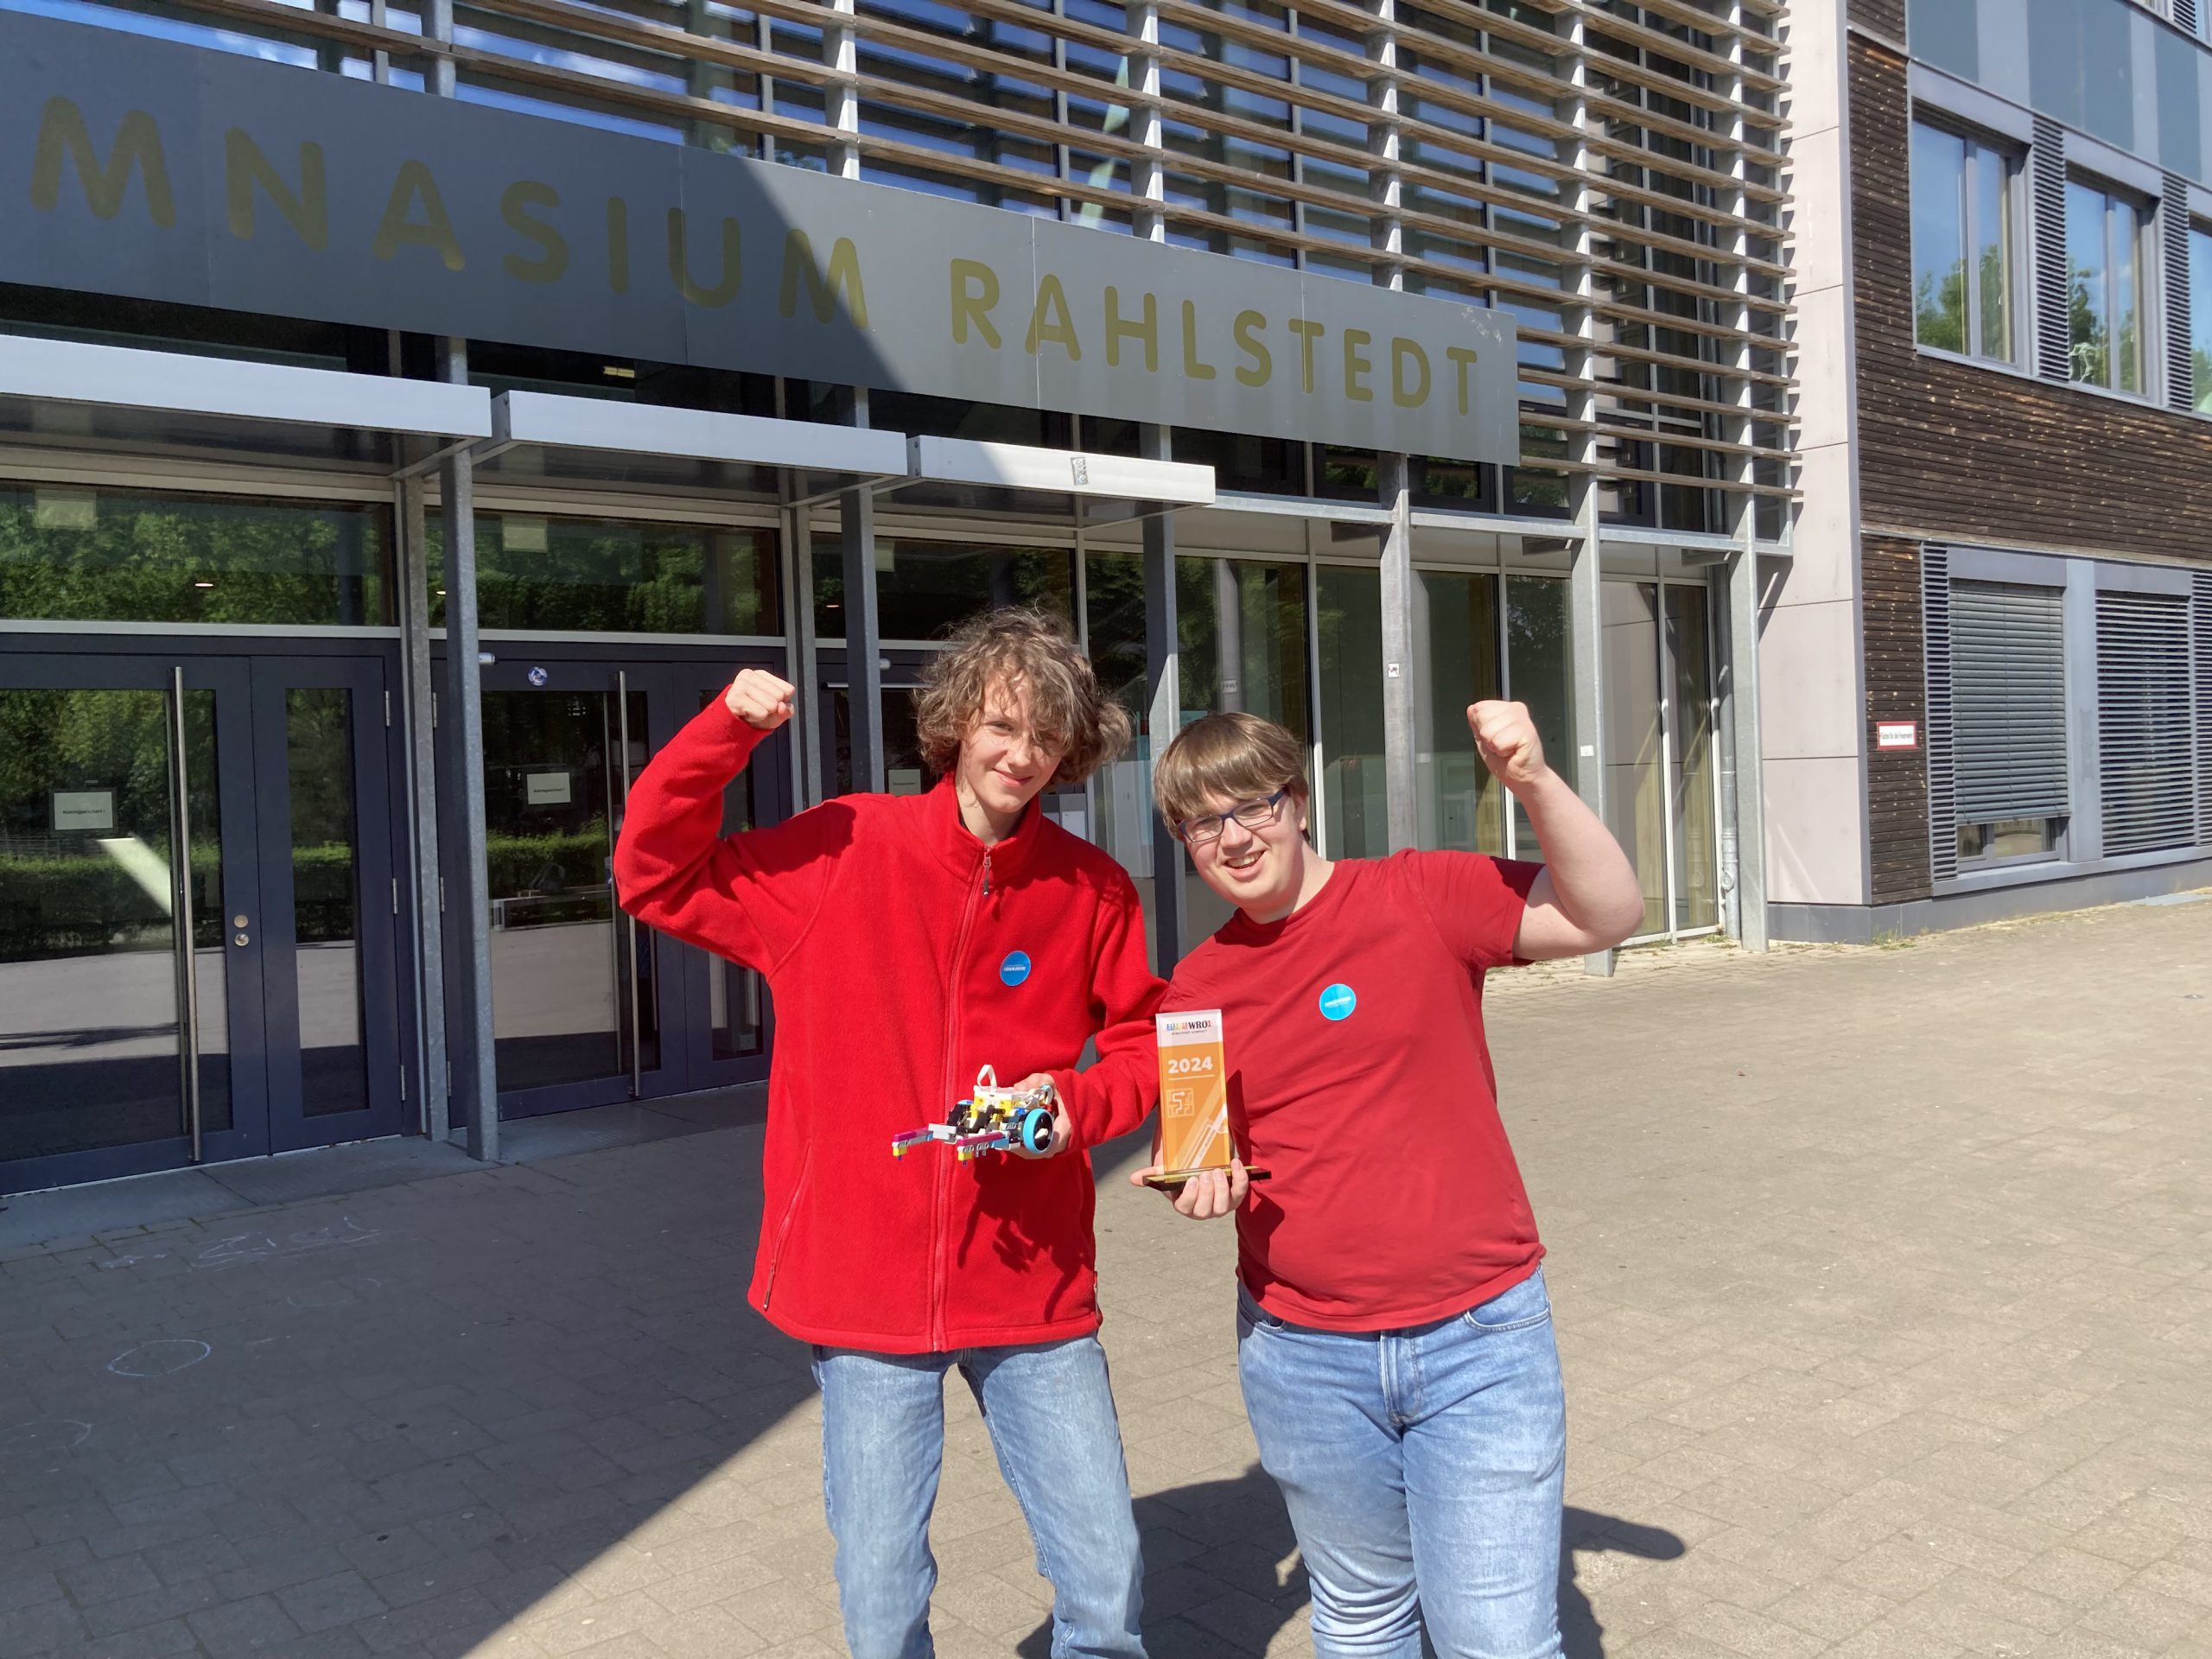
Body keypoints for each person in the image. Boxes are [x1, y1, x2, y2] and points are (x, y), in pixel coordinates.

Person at [614, 608, 1164, 1659]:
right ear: (955, 724)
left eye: (1046, 736)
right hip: (863, 1282)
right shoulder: (844, 844)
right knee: (881, 1596)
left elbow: (1142, 1044)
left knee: (1105, 1582)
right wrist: (723, 733)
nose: (1022, 756)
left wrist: (1074, 1107)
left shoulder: (1089, 886)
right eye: (1002, 726)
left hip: (1031, 1280)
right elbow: (654, 873)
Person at [1132, 702, 1643, 1659]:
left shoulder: (1421, 893)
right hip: (1302, 1355)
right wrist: (1200, 1183)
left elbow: (1605, 915)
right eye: (1202, 823)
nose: (1234, 838)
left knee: (1495, 1638)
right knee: (1362, 1618)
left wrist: (1532, 780)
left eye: (1253, 804)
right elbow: (1203, 1146)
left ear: (1297, 800)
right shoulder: (1198, 988)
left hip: (1478, 1340)